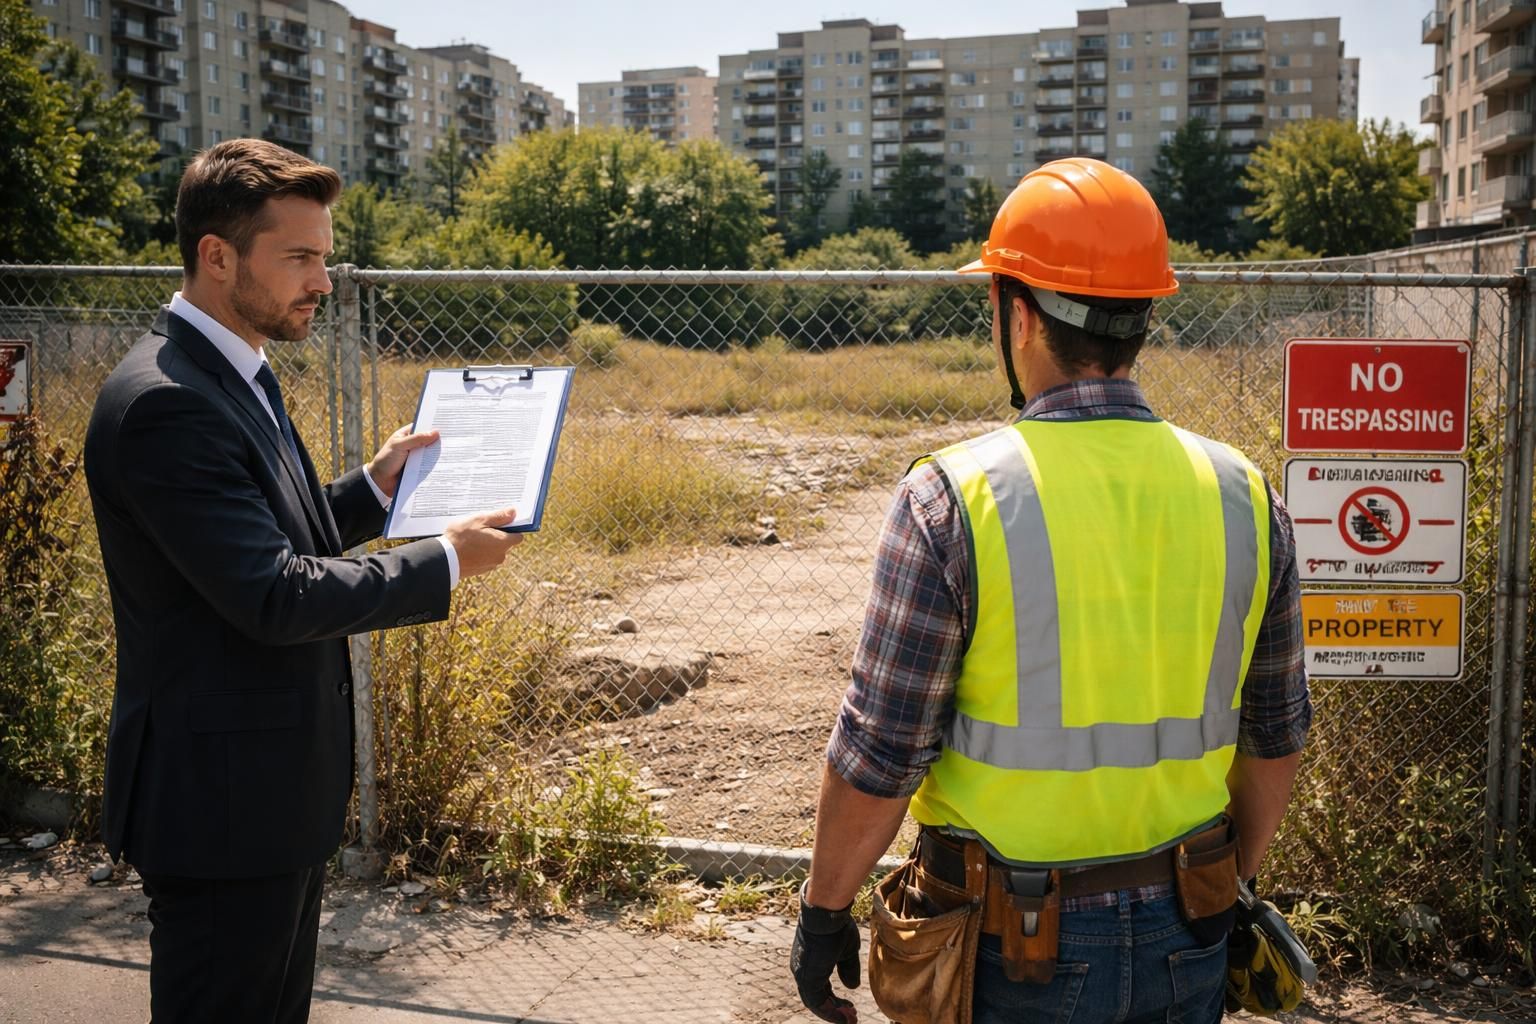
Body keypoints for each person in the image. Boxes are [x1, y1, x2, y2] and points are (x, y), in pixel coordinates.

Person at [789, 158, 1310, 1024]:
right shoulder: (1246, 496)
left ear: (1019, 316)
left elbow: (880, 753)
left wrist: (823, 912)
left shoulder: (952, 500)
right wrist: (1226, 884)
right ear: (1142, 317)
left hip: (1014, 953)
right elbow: (1277, 738)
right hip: (1195, 928)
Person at [83, 138, 523, 1023]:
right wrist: (442, 557)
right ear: (218, 256)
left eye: (324, 257)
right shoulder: (166, 402)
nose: (322, 281)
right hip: (221, 812)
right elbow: (274, 594)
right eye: (302, 258)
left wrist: (373, 487)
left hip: (268, 799)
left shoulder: (231, 368)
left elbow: (261, 534)